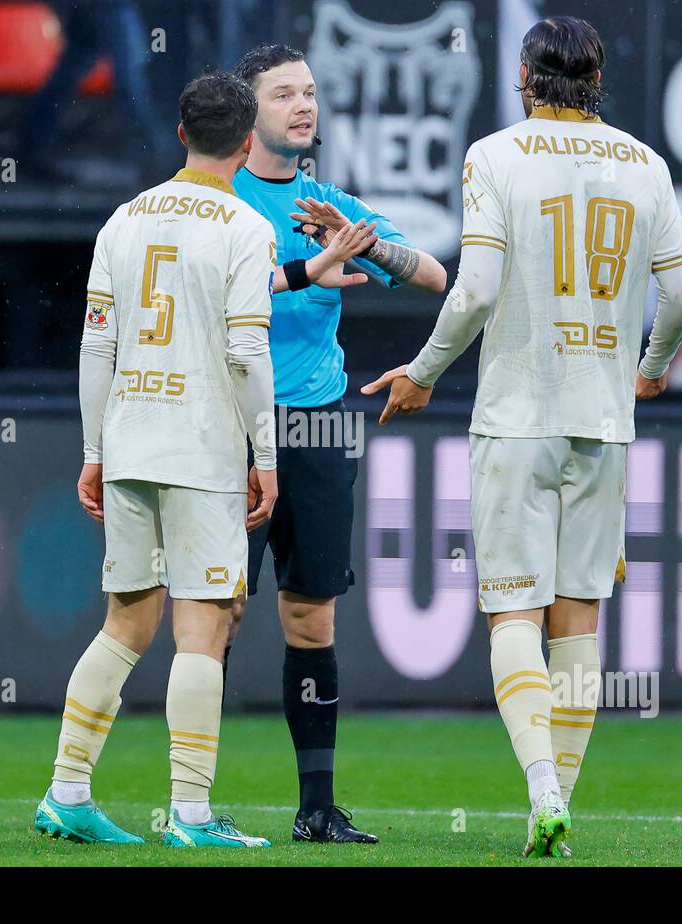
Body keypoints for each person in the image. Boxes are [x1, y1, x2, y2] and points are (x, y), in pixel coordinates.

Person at [363, 16, 682, 858]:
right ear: (597, 79)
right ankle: (556, 808)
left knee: (514, 606)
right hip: (604, 418)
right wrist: (651, 365)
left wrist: (424, 372)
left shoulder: (496, 155)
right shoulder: (646, 165)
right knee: (578, 620)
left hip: (518, 413)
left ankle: (541, 788)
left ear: (523, 76)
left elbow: (474, 292)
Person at [32, 71, 369, 849]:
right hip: (202, 449)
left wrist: (92, 451)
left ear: (180, 135)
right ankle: (190, 814)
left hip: (129, 441)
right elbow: (248, 350)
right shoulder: (245, 225)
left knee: (124, 622)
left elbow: (96, 346)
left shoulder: (124, 218)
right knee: (200, 626)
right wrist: (266, 455)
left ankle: (67, 792)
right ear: (247, 141)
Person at [221, 43, 448, 845]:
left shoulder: (330, 202)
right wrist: (308, 265)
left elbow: (432, 275)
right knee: (217, 614)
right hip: (233, 428)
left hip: (316, 426)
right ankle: (191, 804)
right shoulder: (219, 200)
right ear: (247, 114)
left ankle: (317, 808)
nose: (303, 106)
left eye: (309, 92)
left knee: (312, 616)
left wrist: (363, 243)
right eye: (284, 94)